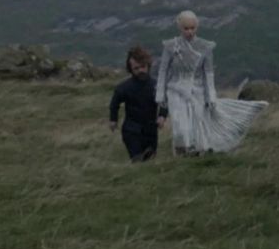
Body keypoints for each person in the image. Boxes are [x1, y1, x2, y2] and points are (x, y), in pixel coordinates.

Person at [155, 10, 265, 155]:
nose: (189, 32)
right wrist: (160, 96)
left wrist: (210, 97)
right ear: (180, 28)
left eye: (192, 28)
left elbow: (208, 73)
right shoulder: (170, 46)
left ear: (197, 27)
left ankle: (194, 152)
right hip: (176, 90)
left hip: (198, 90)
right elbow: (163, 71)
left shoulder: (205, 47)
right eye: (186, 28)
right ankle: (182, 150)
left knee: (198, 123)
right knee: (180, 126)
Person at [107, 45, 164, 163]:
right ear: (131, 69)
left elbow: (164, 102)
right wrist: (113, 119)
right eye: (136, 68)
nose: (140, 71)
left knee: (150, 160)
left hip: (151, 130)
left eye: (143, 67)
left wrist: (162, 116)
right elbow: (114, 103)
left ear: (148, 65)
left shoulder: (157, 86)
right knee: (138, 159)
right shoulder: (124, 88)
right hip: (131, 130)